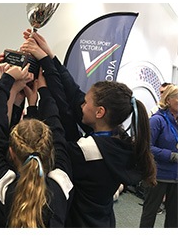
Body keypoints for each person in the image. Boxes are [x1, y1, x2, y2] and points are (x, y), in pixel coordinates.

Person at [20, 29, 157, 227]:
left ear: (100, 112)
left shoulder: (87, 152)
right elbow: (74, 94)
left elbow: (58, 130)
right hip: (103, 220)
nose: (81, 105)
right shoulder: (118, 139)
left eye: (86, 103)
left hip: (82, 223)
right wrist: (50, 57)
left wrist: (43, 93)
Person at [0, 62, 72, 227]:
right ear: (51, 150)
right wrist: (38, 97)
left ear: (11, 152)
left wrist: (6, 84)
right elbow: (57, 130)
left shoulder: (1, 185)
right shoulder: (61, 185)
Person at [140, 84, 178, 228]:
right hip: (157, 175)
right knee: (149, 216)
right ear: (168, 100)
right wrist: (172, 156)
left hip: (177, 177)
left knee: (175, 219)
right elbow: (146, 147)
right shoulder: (157, 120)